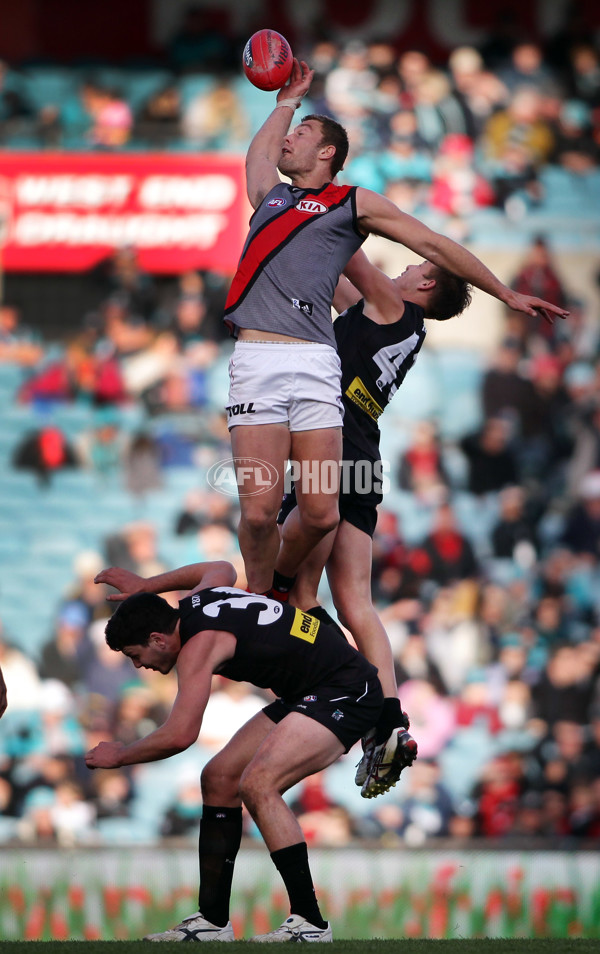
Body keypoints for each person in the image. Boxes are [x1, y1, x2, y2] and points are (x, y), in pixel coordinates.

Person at [222, 58, 569, 598]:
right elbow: (258, 158)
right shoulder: (271, 200)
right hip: (258, 358)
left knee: (318, 513)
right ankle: (262, 604)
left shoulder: (350, 202)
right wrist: (286, 101)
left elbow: (430, 243)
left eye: (303, 133)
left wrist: (505, 291)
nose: (287, 140)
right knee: (262, 510)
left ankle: (281, 590)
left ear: (327, 154)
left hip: (315, 361)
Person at [86, 560, 385, 942]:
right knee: (218, 778)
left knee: (259, 784)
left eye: (134, 654)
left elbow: (180, 735)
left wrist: (121, 756)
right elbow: (221, 568)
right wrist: (148, 584)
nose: (138, 665)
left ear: (158, 639)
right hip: (309, 690)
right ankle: (212, 921)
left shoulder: (197, 647)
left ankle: (310, 923)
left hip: (344, 689)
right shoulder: (199, 600)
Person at [276, 245, 471, 797]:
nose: (406, 267)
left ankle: (337, 684)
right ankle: (387, 718)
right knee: (356, 601)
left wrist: (319, 199)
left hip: (333, 449)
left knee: (299, 592)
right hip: (365, 455)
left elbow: (345, 250)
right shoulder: (401, 320)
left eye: (418, 268)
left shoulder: (389, 301)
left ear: (427, 287)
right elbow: (335, 271)